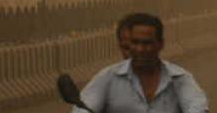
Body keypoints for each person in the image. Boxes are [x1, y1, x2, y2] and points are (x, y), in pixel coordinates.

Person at [73, 13, 209, 113]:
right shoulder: (108, 78)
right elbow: (82, 109)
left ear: (160, 44)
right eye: (135, 43)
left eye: (147, 43)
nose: (140, 49)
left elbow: (197, 106)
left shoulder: (180, 78)